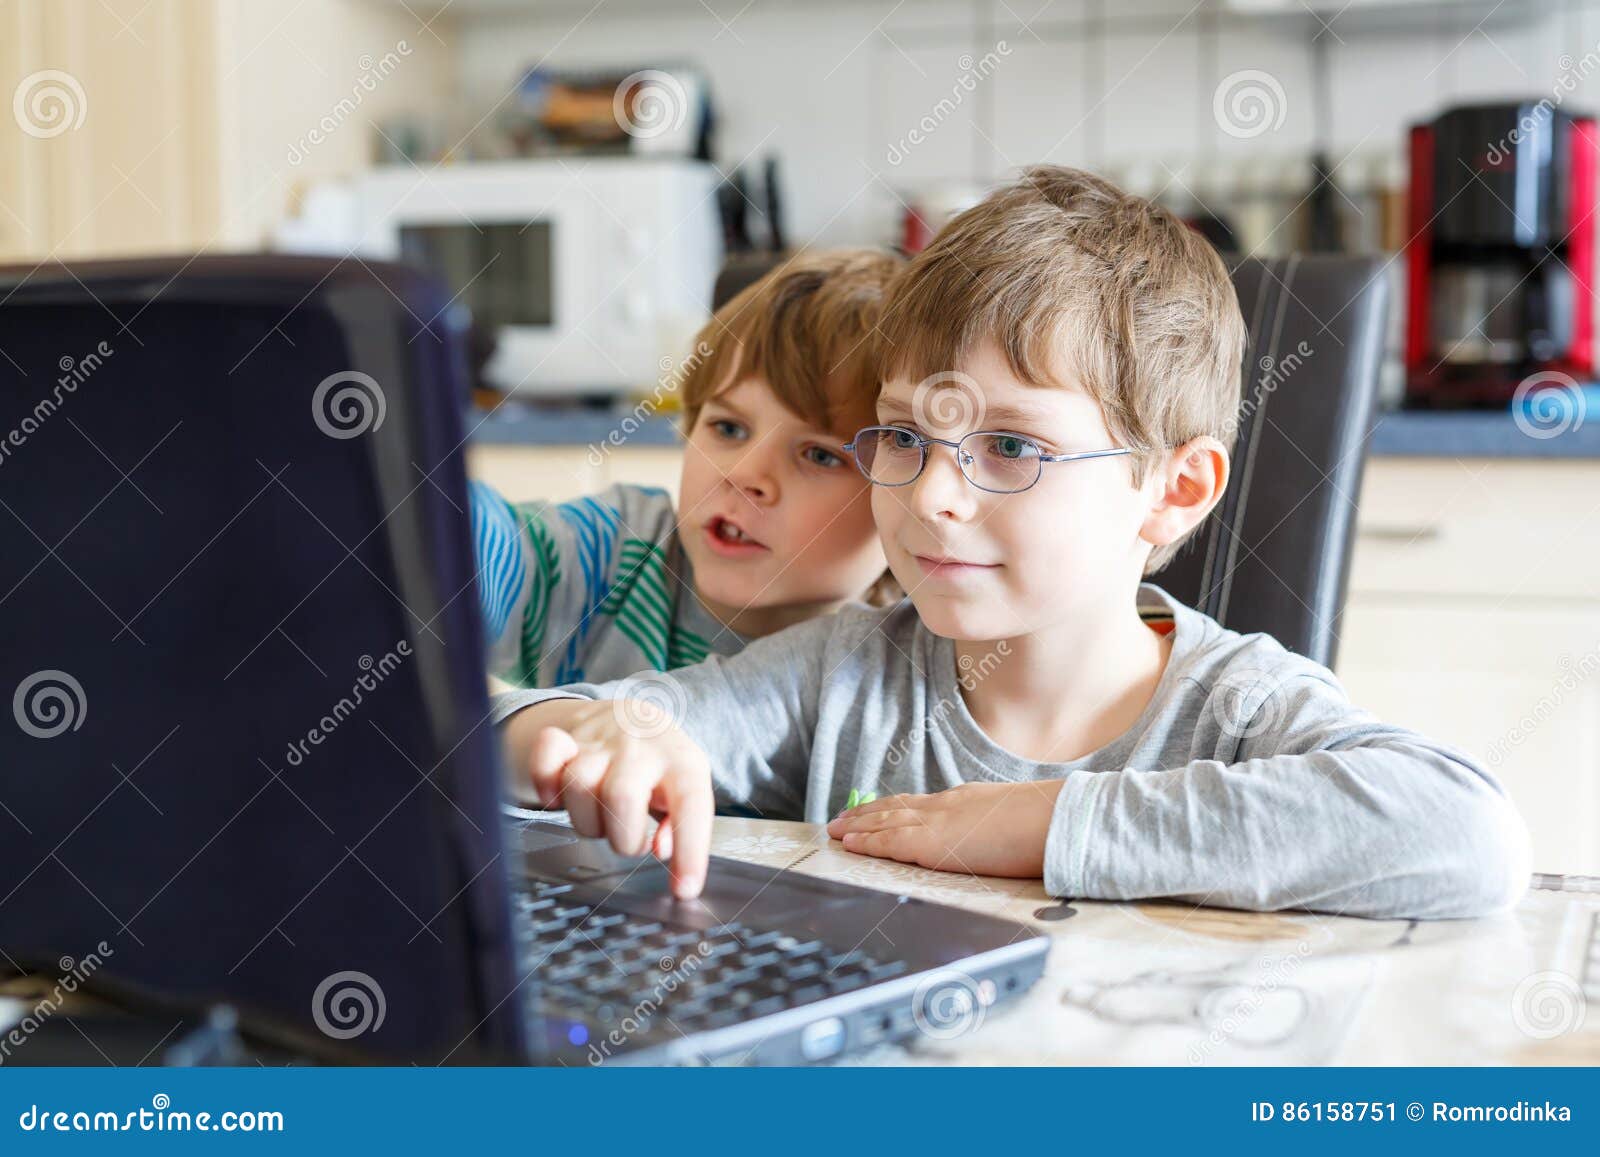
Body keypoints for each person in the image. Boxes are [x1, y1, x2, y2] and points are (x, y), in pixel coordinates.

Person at [490, 166, 1530, 921]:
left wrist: (1045, 823)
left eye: (1011, 446)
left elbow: (1466, 833)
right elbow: (626, 725)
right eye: (903, 434)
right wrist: (592, 731)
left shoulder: (1236, 706)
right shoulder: (841, 670)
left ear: (1171, 490)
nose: (933, 494)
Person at [471, 249, 902, 688]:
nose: (744, 473)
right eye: (729, 428)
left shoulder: (907, 676)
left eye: (820, 455)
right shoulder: (615, 556)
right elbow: (470, 547)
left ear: (908, 502)